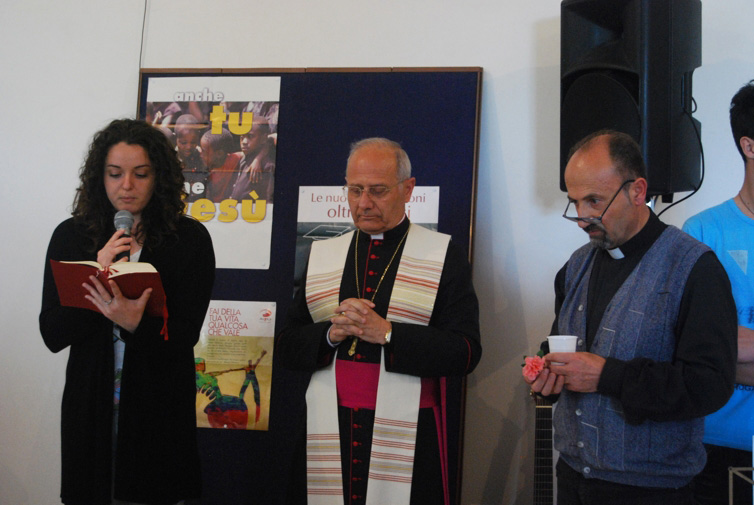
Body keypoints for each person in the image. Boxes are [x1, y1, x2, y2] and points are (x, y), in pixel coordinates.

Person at [524, 130, 737, 505]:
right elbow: (564, 341)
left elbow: (710, 384)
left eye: (595, 201)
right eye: (575, 202)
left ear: (637, 191)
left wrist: (608, 376)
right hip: (573, 477)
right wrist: (547, 368)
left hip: (652, 490)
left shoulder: (694, 268)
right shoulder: (576, 266)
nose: (582, 218)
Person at [277, 137, 481, 505]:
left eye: (377, 190)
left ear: (408, 189)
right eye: (355, 190)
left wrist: (387, 333)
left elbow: (465, 352)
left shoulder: (441, 254)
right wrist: (331, 333)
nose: (363, 203)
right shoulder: (324, 255)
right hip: (330, 426)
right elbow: (287, 346)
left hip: (409, 433)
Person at [39, 119, 215, 505]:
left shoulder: (189, 241)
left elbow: (185, 335)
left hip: (158, 410)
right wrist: (97, 279)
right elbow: (52, 333)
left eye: (141, 174)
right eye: (115, 174)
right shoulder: (72, 236)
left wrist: (136, 322)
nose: (126, 186)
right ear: (99, 176)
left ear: (159, 178)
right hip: (91, 407)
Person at [683, 80, 754, 505]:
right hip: (719, 446)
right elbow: (699, 355)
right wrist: (722, 355)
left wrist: (734, 346)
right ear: (750, 145)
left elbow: (722, 351)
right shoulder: (701, 233)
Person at [229, 116, 275, 203]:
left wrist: (251, 195)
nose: (244, 141)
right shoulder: (243, 159)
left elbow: (267, 198)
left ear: (263, 138)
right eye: (242, 137)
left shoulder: (267, 166)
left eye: (250, 136)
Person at [200, 128, 240, 202]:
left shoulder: (233, 159)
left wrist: (257, 160)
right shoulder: (203, 167)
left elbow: (251, 152)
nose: (200, 154)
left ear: (219, 154)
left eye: (203, 151)